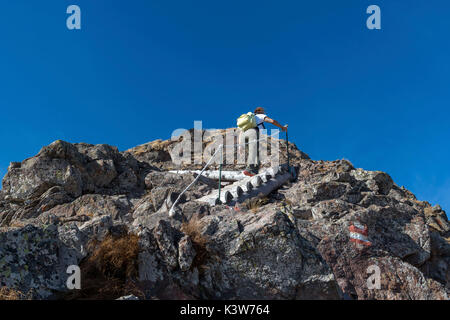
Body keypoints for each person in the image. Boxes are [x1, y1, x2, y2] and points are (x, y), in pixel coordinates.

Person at [242, 107, 287, 176]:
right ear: (260, 111)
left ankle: (251, 170)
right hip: (254, 134)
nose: (264, 112)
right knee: (256, 152)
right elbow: (272, 121)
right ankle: (250, 170)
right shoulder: (260, 116)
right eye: (263, 111)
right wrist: (282, 127)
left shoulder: (249, 120)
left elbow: (241, 131)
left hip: (245, 135)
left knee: (252, 152)